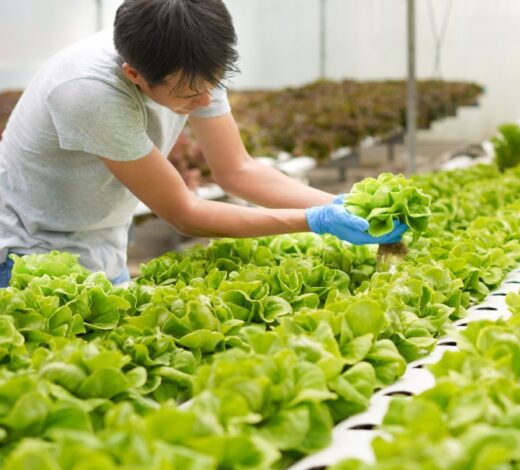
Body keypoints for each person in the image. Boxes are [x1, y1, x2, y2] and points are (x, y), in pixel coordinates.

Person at [0, 0, 406, 288]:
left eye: (213, 83)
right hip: (28, 253)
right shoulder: (90, 92)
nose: (206, 101)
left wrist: (338, 206)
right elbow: (184, 213)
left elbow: (237, 171)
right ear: (135, 74)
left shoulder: (192, 60)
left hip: (101, 241)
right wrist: (311, 221)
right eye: (190, 94)